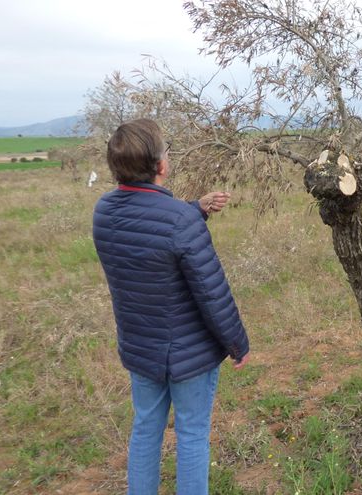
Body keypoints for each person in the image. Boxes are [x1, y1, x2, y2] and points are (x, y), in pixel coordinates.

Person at [92, 118, 250, 494]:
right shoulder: (179, 220)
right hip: (190, 354)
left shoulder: (104, 213)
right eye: (166, 150)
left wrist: (197, 207)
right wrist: (237, 343)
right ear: (160, 165)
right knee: (192, 434)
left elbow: (148, 229)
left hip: (140, 349)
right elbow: (212, 293)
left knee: (146, 429)